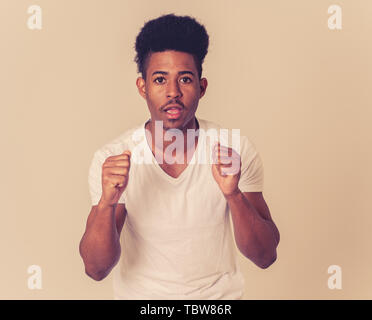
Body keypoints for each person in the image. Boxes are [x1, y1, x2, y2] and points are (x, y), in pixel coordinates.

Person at [79, 13, 280, 300]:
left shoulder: (234, 148)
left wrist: (233, 194)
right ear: (143, 87)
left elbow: (265, 256)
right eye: (160, 79)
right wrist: (107, 203)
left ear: (202, 87)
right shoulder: (113, 157)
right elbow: (95, 268)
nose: (173, 92)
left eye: (185, 79)